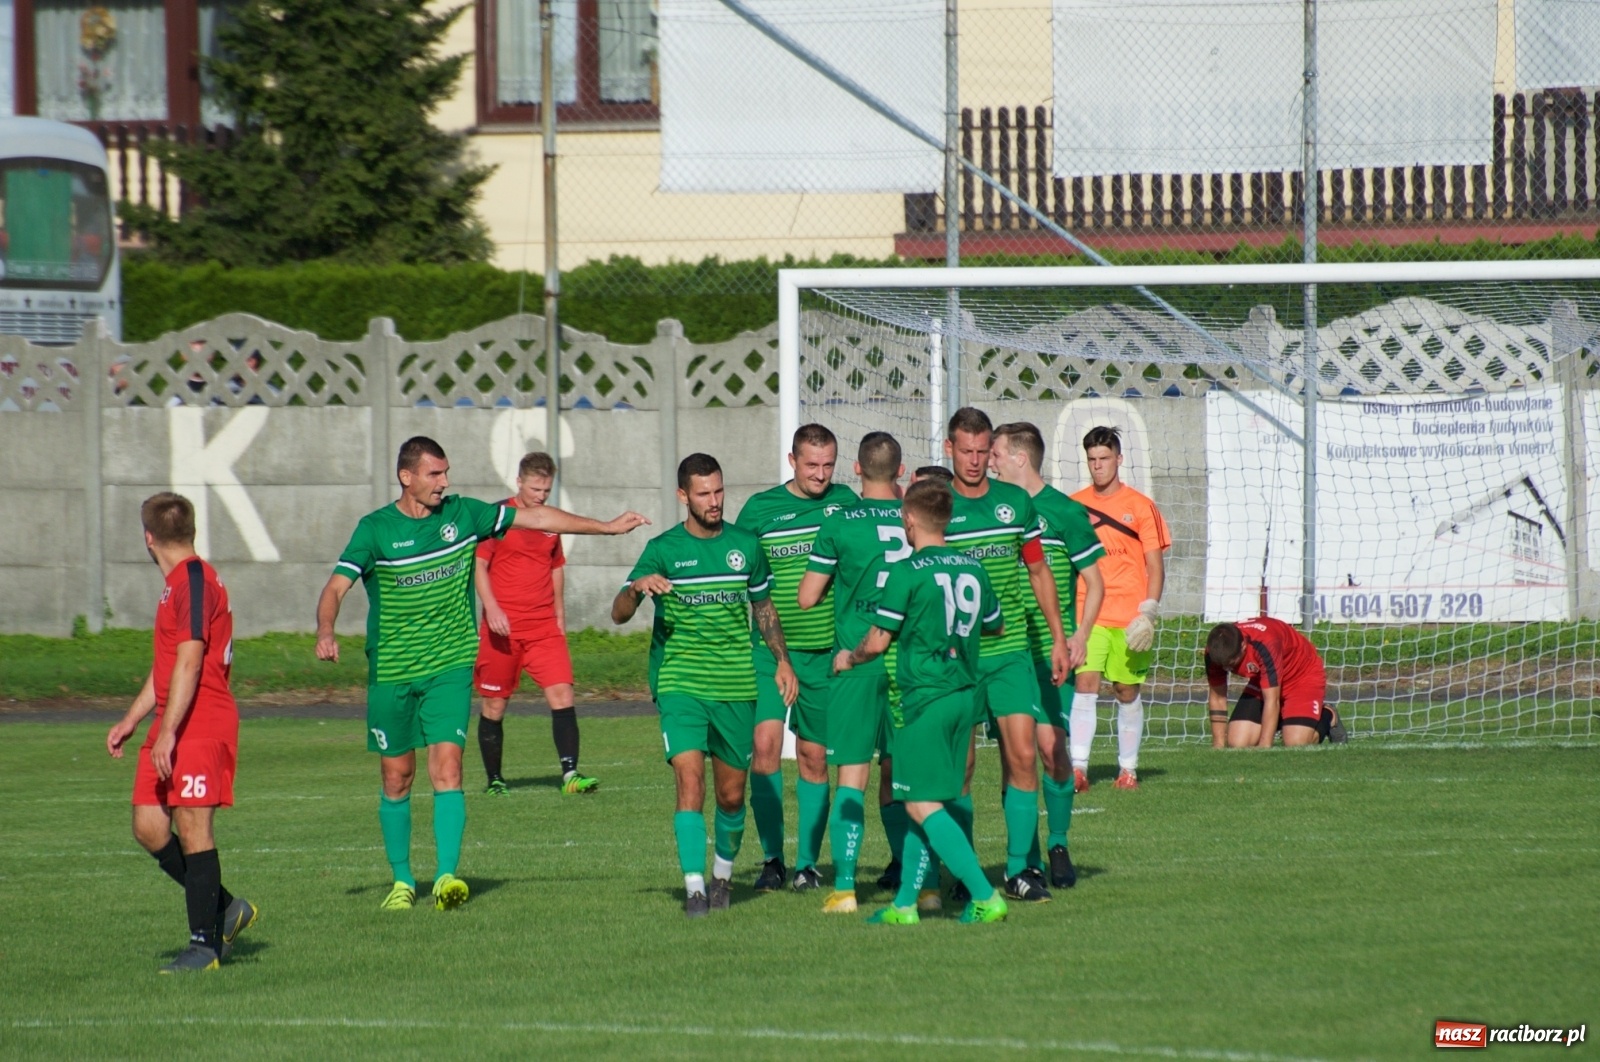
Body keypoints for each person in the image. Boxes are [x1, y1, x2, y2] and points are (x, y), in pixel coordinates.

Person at [315, 436, 647, 913]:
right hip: (392, 670)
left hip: (449, 667)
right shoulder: (374, 531)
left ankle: (448, 875)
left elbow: (535, 518)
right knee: (397, 778)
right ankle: (403, 880)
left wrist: (607, 529)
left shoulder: (464, 515)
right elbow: (335, 585)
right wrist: (326, 629)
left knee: (448, 768)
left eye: (446, 473)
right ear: (406, 477)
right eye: (434, 474)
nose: (444, 482)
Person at [612, 453, 798, 918]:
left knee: (732, 795)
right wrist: (636, 588)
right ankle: (694, 887)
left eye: (718, 491)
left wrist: (782, 662)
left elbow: (764, 608)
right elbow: (618, 612)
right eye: (703, 494)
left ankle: (720, 876)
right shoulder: (662, 549)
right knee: (689, 780)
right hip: (681, 683)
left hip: (735, 685)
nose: (714, 501)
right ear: (683, 496)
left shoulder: (745, 546)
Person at [835, 479, 1009, 926]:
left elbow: (876, 642)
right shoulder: (973, 568)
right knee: (922, 799)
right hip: (964, 698)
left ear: (909, 519)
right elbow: (995, 625)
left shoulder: (907, 571)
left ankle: (985, 895)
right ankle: (905, 905)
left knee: (919, 805)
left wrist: (847, 658)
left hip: (924, 700)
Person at [105, 493, 256, 973]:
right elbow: (167, 665)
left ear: (148, 538)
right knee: (149, 826)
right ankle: (227, 908)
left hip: (200, 720)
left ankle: (204, 946)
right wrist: (132, 719)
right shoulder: (176, 584)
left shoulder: (192, 579)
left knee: (193, 828)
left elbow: (191, 659)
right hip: (173, 718)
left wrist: (168, 732)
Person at [943, 407, 1073, 903]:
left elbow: (1039, 572)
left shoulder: (1015, 502)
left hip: (1010, 652)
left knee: (1023, 753)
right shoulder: (935, 505)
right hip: (955, 658)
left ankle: (1021, 870)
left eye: (982, 451)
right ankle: (964, 868)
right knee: (962, 767)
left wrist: (1058, 637)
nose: (976, 461)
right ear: (950, 448)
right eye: (967, 451)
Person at [733, 424, 857, 892]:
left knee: (811, 757)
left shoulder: (848, 504)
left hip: (826, 655)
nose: (821, 474)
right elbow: (734, 563)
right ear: (792, 460)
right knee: (764, 747)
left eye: (828, 465)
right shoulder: (761, 510)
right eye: (811, 464)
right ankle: (771, 859)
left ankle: (807, 863)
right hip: (768, 653)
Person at [797, 431, 916, 914]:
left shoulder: (840, 522)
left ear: (856, 471)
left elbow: (807, 596)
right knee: (907, 777)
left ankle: (845, 886)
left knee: (852, 774)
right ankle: (921, 885)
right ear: (902, 471)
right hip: (909, 663)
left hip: (856, 662)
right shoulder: (918, 517)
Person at [990, 422, 1106, 888]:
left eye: (996, 452)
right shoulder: (993, 512)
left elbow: (1095, 583)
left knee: (1054, 753)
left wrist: (1079, 636)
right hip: (1007, 652)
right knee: (1016, 754)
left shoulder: (1063, 512)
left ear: (1020, 457)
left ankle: (1058, 843)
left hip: (1052, 654)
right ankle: (1027, 856)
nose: (990, 461)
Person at [473, 451, 597, 796]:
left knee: (562, 693)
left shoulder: (549, 523)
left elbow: (556, 567)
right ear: (519, 482)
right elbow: (479, 567)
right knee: (495, 705)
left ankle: (570, 775)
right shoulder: (498, 518)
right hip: (503, 630)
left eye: (546, 490)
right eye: (534, 489)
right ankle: (495, 779)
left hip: (543, 628)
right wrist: (492, 608)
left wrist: (559, 614)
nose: (540, 497)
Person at [1069, 425, 1171, 791]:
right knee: (1085, 685)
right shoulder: (1074, 505)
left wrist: (1149, 611)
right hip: (1089, 615)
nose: (1098, 466)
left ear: (1119, 460)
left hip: (1130, 619)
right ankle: (1077, 769)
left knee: (1126, 691)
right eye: (1092, 460)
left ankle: (1127, 770)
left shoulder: (1141, 506)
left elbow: (1155, 565)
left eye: (1104, 459)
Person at [1204, 618, 1347, 747]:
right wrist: (1218, 744)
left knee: (1295, 743)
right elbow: (1217, 696)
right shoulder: (1214, 653)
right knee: (1238, 743)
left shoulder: (1265, 644)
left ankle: (1328, 715)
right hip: (1263, 680)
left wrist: (1264, 745)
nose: (1226, 668)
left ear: (1243, 646)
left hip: (1302, 677)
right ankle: (1286, 719)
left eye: (1231, 663)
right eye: (1222, 665)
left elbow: (1271, 700)